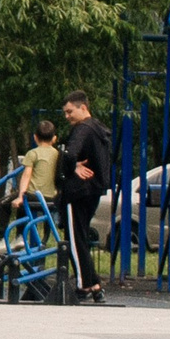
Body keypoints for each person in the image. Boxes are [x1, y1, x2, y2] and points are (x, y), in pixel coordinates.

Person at [58, 90, 112, 303]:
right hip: (94, 190)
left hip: (77, 191)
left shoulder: (82, 129)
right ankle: (95, 283)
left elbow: (70, 154)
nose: (67, 116)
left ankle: (83, 285)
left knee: (74, 238)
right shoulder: (100, 130)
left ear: (83, 108)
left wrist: (72, 168)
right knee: (81, 237)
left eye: (70, 111)